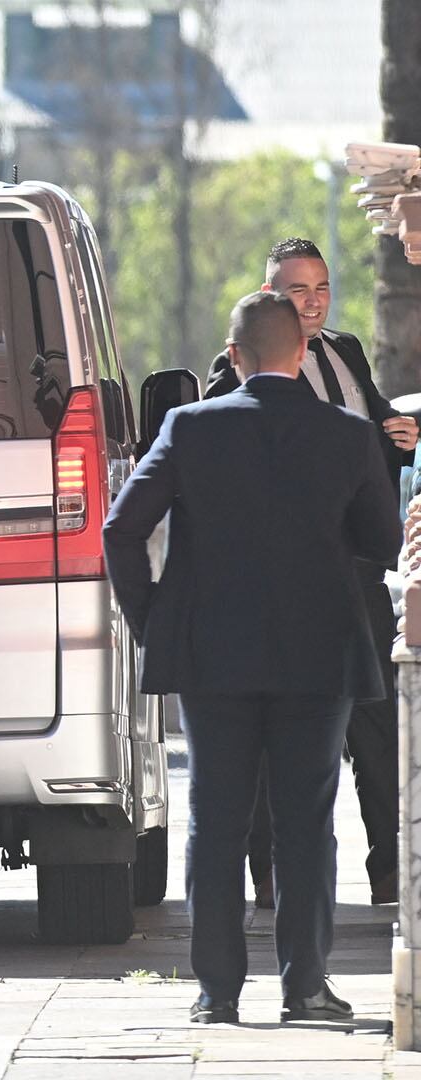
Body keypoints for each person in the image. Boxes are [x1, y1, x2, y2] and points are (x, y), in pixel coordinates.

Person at [106, 291, 399, 1025]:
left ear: (233, 359)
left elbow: (121, 531)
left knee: (217, 820)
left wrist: (154, 623)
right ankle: (305, 989)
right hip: (320, 652)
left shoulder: (188, 427)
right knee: (308, 822)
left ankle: (217, 994)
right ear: (303, 352)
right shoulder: (346, 436)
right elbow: (384, 543)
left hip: (212, 656)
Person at [203, 238, 419, 909]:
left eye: (322, 288)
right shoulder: (235, 368)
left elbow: (376, 422)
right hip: (278, 583)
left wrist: (401, 431)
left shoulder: (346, 352)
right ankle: (269, 876)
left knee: (378, 717)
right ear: (270, 296)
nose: (314, 302)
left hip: (357, 570)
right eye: (299, 290)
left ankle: (392, 868)